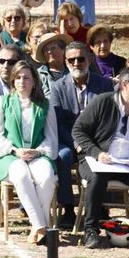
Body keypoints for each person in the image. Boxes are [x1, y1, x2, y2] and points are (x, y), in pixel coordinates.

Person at [73, 68, 129, 250]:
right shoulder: (103, 102)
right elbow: (78, 130)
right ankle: (90, 231)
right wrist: (97, 153)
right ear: (124, 85)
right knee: (96, 179)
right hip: (99, 160)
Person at [0, 60, 59, 244]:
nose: (22, 81)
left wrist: (38, 151)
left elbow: (51, 137)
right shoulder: (2, 102)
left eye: (26, 78)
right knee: (20, 175)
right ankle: (42, 227)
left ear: (34, 82)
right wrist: (14, 150)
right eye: (18, 77)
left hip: (37, 153)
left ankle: (37, 227)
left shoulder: (45, 105)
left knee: (46, 176)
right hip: (10, 154)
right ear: (12, 81)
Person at [47, 41, 114, 231]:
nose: (76, 63)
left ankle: (101, 206)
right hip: (68, 140)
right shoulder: (58, 87)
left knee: (104, 157)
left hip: (97, 141)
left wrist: (91, 144)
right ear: (66, 62)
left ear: (90, 59)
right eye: (71, 60)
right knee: (62, 156)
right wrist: (77, 142)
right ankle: (68, 208)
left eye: (81, 59)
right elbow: (58, 122)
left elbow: (109, 119)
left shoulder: (104, 85)